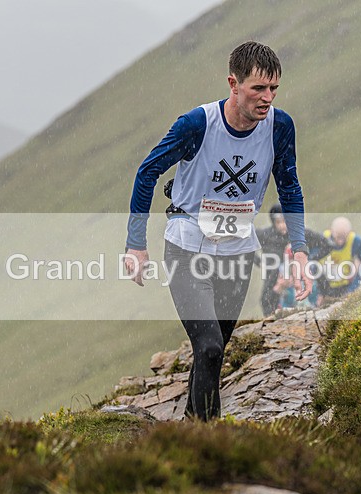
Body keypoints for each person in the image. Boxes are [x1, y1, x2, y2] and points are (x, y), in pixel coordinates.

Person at [123, 42, 311, 421]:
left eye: (274, 88)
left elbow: (289, 187)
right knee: (208, 346)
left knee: (214, 351)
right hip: (187, 247)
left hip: (238, 252)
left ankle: (193, 427)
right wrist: (135, 244)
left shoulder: (279, 127)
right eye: (258, 88)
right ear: (233, 84)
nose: (267, 98)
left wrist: (300, 250)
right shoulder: (197, 125)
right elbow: (147, 172)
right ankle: (211, 439)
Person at [255, 204, 331, 316]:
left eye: (285, 221)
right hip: (275, 274)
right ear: (273, 222)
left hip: (303, 271)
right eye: (278, 222)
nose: (282, 226)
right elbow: (246, 242)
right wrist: (261, 263)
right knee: (268, 302)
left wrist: (309, 259)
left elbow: (326, 244)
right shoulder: (266, 235)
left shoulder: (300, 234)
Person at [317, 216, 361, 301]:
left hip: (345, 286)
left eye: (344, 237)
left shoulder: (355, 241)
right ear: (331, 231)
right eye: (338, 237)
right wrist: (321, 292)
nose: (340, 241)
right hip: (324, 285)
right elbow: (312, 264)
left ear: (349, 232)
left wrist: (353, 287)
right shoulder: (321, 238)